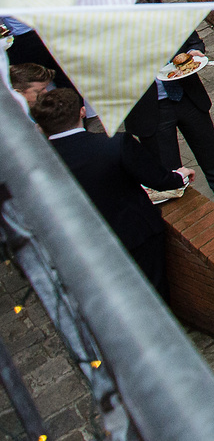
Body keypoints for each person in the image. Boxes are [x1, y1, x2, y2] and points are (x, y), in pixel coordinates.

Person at [33, 87, 188, 295]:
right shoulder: (114, 144)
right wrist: (180, 176)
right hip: (135, 234)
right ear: (82, 112)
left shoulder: (36, 166)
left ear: (41, 126)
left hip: (84, 247)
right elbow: (159, 180)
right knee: (154, 291)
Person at [120, 3, 214, 204]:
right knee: (163, 158)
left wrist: (195, 51)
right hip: (152, 106)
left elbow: (194, 42)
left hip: (186, 96)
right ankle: (179, 197)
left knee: (207, 144)